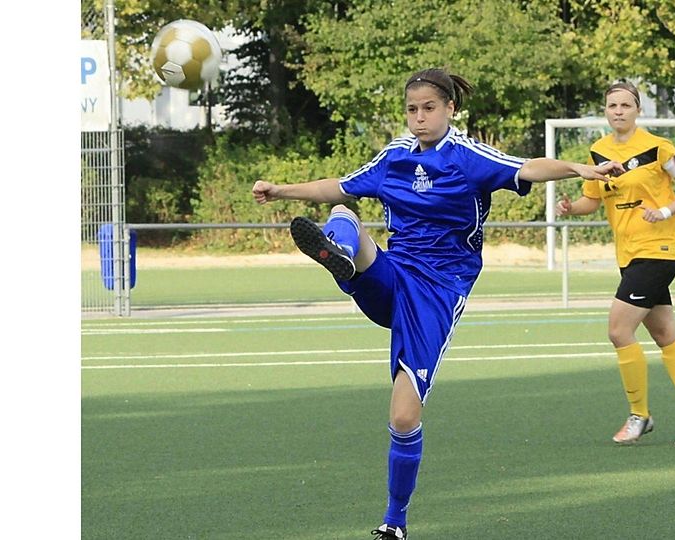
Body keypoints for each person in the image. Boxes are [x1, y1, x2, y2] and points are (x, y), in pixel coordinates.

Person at [252, 67, 624, 540]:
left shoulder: (466, 156)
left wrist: (578, 169)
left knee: (404, 416)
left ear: (450, 109)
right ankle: (341, 253)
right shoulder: (393, 158)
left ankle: (394, 521)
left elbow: (526, 167)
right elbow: (339, 186)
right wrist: (280, 190)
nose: (419, 118)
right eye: (412, 109)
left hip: (440, 288)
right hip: (394, 274)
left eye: (429, 108)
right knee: (344, 211)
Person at [557, 81, 675, 446]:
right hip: (628, 254)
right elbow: (592, 202)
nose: (618, 111)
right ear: (605, 110)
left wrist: (664, 210)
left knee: (618, 331)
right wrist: (571, 209)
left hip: (658, 249)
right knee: (664, 334)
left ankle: (640, 415)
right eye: (612, 105)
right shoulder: (597, 152)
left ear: (637, 109)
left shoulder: (658, 147)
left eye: (625, 105)